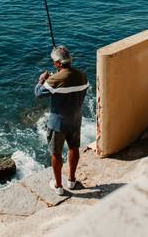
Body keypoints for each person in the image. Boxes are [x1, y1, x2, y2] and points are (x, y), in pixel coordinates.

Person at [34, 45, 89, 195]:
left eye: (54, 61)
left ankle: (58, 186)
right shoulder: (82, 76)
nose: (53, 64)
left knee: (56, 153)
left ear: (58, 63)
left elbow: (39, 93)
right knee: (74, 148)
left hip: (57, 124)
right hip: (75, 120)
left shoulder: (54, 79)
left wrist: (42, 80)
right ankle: (71, 180)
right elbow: (72, 89)